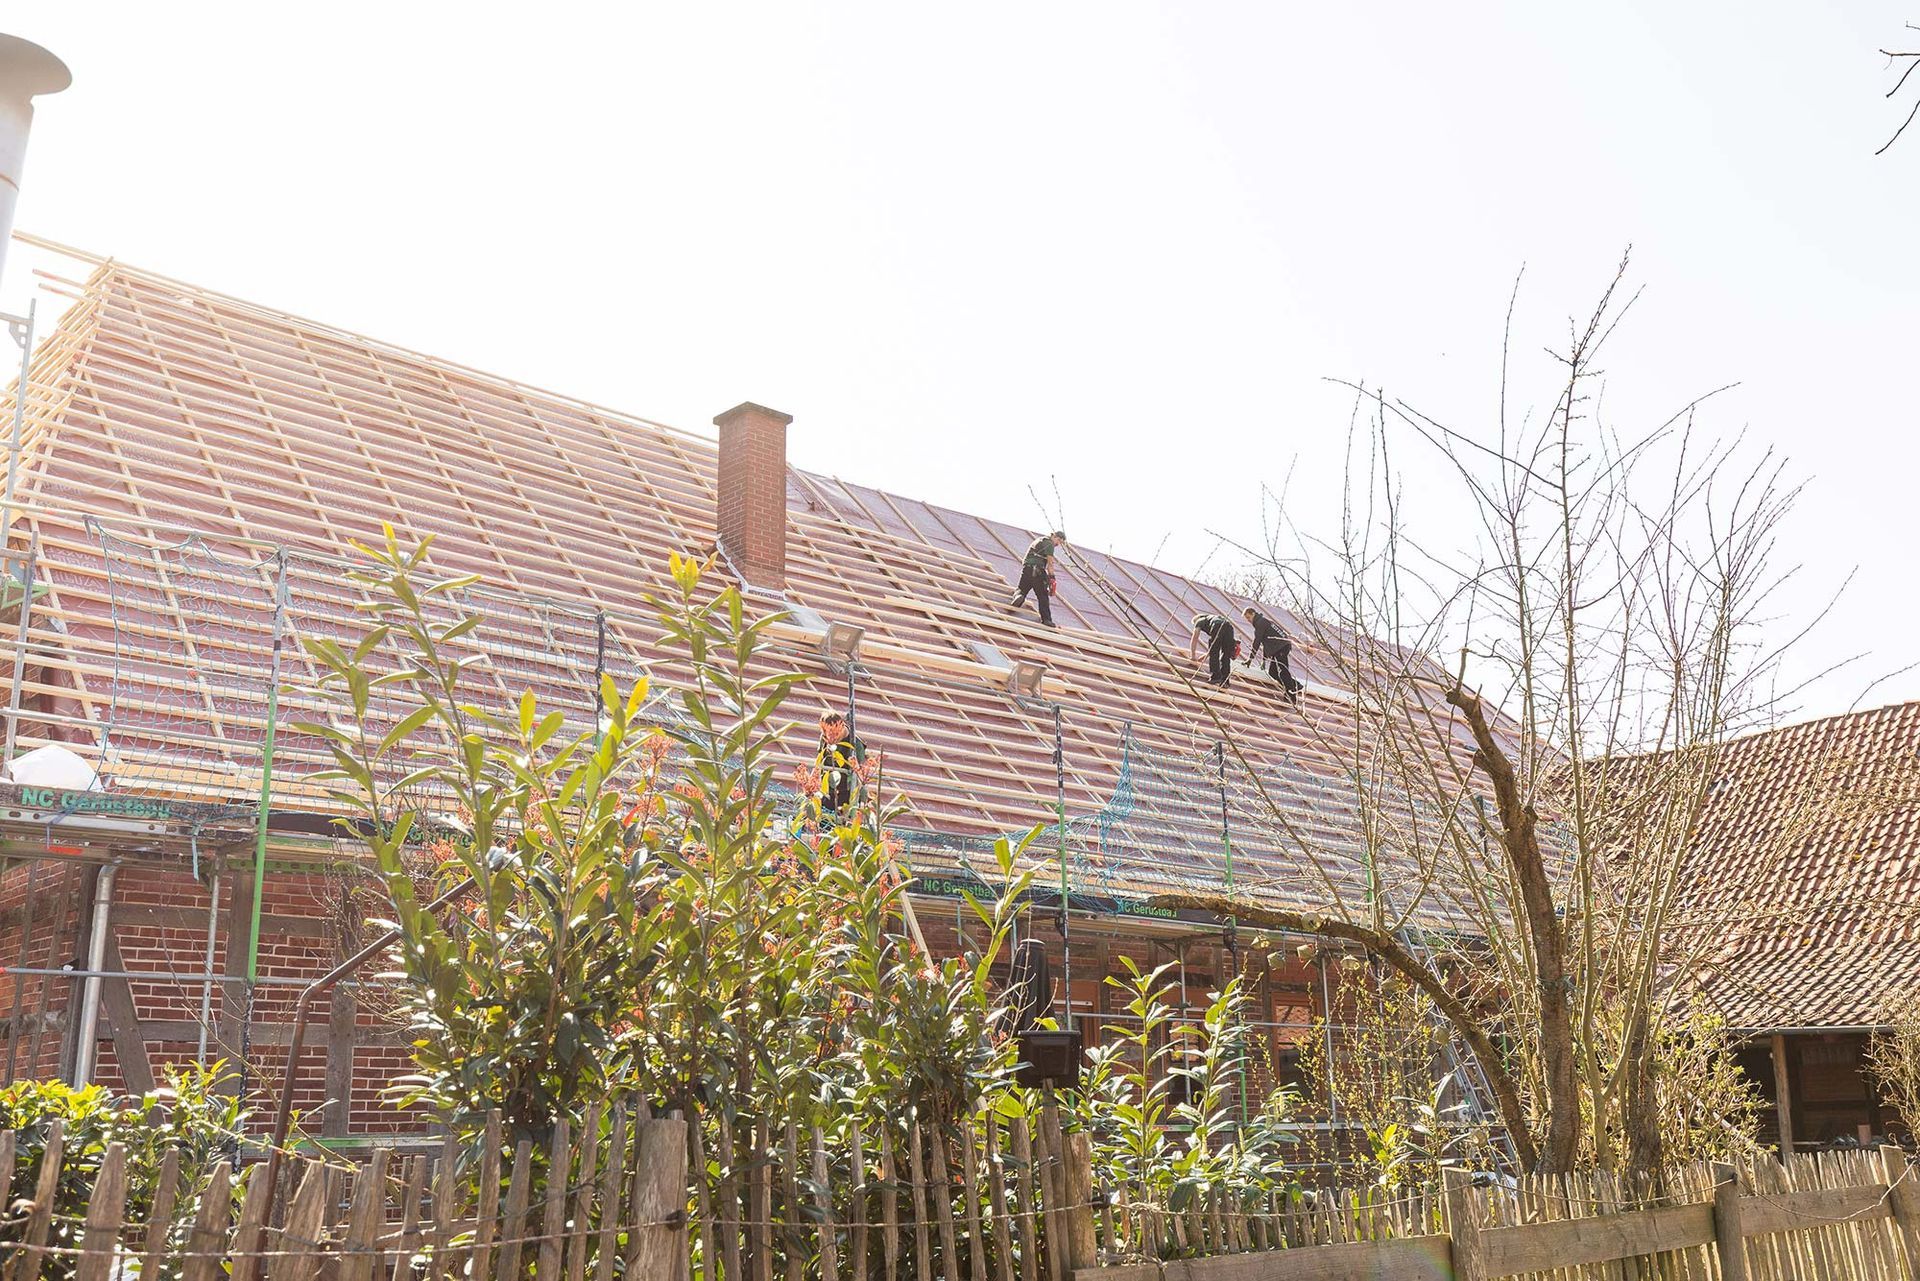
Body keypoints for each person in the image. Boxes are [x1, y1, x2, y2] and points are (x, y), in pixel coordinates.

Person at [1243, 606, 1305, 701]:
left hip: (1281, 647)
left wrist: (1250, 658)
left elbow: (1257, 642)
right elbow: (1266, 643)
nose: (1248, 620)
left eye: (1248, 617)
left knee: (1283, 671)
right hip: (1281, 646)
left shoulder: (1260, 623)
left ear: (1253, 614)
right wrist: (1264, 660)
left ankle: (1291, 695)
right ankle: (1295, 685)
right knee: (1273, 672)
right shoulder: (1263, 622)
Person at [1009, 531, 1066, 627]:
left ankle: (1018, 597)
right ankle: (1046, 619)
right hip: (1038, 571)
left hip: (1027, 568)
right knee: (1043, 596)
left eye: (1060, 543)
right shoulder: (1049, 544)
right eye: (1058, 541)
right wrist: (1052, 578)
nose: (1058, 544)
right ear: (1053, 536)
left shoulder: (1038, 540)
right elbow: (1050, 564)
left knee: (1022, 589)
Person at [815, 710, 867, 815]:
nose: (832, 738)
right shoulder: (825, 738)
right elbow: (819, 760)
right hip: (827, 790)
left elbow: (861, 776)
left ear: (841, 726)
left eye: (835, 734)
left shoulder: (855, 744)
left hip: (846, 794)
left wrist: (862, 800)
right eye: (828, 734)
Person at [1189, 613, 1238, 687]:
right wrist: (1203, 657)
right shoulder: (1215, 618)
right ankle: (1225, 681)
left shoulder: (1199, 620)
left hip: (1217, 627)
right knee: (1226, 656)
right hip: (1229, 628)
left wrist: (1193, 656)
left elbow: (1195, 638)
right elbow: (1213, 647)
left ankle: (1215, 677)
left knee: (1215, 653)